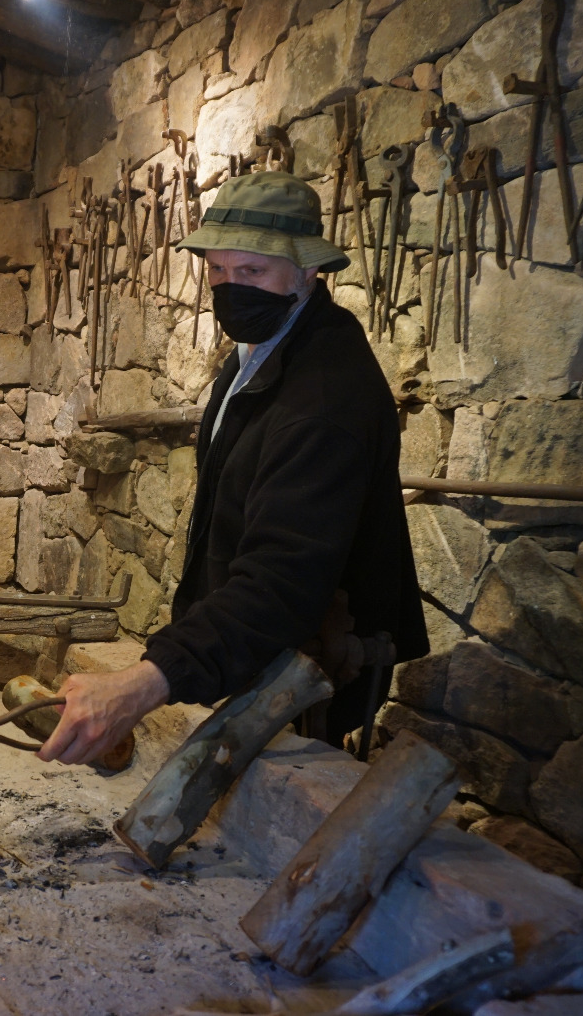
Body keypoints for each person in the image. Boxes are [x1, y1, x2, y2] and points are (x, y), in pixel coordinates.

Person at [38, 171, 428, 764]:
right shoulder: (260, 354)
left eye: (252, 273)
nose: (229, 287)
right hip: (259, 654)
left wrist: (147, 681)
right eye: (218, 271)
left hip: (311, 663)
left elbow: (282, 579)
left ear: (307, 271)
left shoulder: (323, 399)